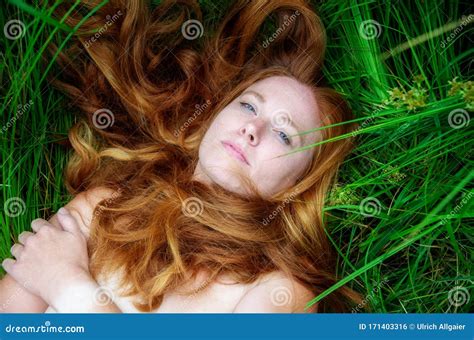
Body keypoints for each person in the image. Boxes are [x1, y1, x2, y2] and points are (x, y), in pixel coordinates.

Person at [1, 0, 362, 313]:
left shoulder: (281, 291)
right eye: (248, 105)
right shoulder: (105, 210)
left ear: (300, 184)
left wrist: (70, 286)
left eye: (284, 135)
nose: (253, 128)